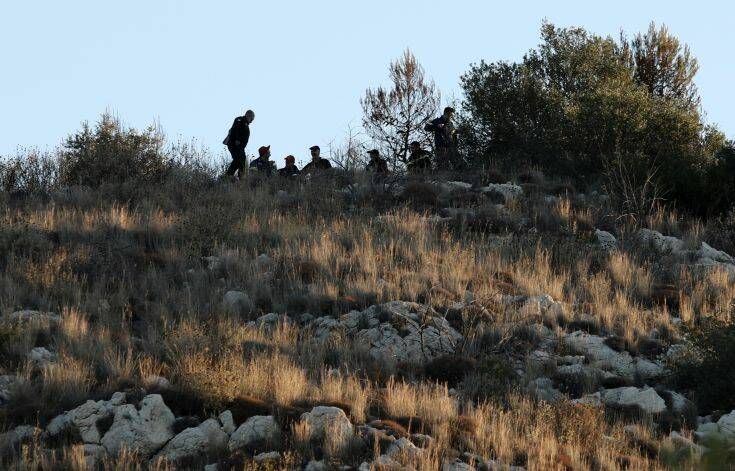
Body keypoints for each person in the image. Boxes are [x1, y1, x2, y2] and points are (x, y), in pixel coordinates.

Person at [223, 109, 255, 178]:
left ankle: (241, 178)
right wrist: (237, 139)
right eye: (251, 119)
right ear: (248, 115)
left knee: (242, 162)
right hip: (234, 145)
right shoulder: (239, 120)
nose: (252, 121)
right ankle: (228, 176)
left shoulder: (246, 124)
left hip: (240, 147)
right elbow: (235, 129)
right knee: (237, 160)